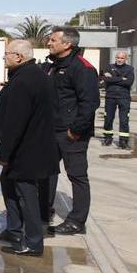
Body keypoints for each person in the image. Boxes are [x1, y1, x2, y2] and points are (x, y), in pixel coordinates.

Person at [0, 39, 58, 256]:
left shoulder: (25, 80)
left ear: (19, 57)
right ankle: (14, 231)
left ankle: (33, 243)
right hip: (26, 146)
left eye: (7, 54)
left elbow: (15, 122)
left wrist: (4, 153)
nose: (4, 57)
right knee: (8, 184)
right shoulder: (31, 75)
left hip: (25, 149)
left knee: (26, 195)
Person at [44, 27, 100, 236]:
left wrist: (75, 131)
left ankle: (77, 221)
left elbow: (90, 103)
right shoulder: (54, 66)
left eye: (53, 40)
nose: (49, 43)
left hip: (72, 133)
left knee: (77, 176)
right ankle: (44, 210)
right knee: (47, 172)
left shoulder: (82, 68)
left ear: (67, 44)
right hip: (52, 130)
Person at [101, 51, 135, 149]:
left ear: (126, 59)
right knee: (108, 118)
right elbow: (106, 79)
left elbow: (128, 82)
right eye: (118, 57)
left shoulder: (130, 69)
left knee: (124, 120)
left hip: (124, 97)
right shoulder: (109, 67)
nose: (119, 60)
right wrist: (121, 78)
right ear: (115, 58)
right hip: (110, 97)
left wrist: (113, 78)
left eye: (122, 58)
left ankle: (123, 141)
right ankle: (108, 138)